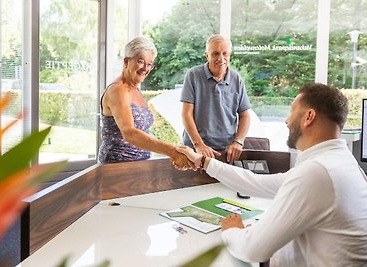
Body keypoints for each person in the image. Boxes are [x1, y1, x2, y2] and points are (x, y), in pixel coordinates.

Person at [176, 83, 367, 266]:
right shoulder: (341, 164)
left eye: (292, 111)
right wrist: (203, 161)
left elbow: (253, 249)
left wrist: (232, 231)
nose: (287, 120)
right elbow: (257, 183)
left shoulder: (317, 172)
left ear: (309, 116)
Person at [98, 36, 194, 169]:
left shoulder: (135, 88)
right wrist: (172, 152)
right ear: (126, 61)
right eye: (141, 61)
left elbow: (143, 130)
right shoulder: (118, 90)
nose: (145, 68)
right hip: (117, 168)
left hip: (140, 166)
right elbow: (130, 133)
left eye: (149, 64)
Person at [180, 34, 251, 164]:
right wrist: (199, 145)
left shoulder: (236, 79)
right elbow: (186, 113)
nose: (221, 58)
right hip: (196, 150)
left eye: (225, 54)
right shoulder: (193, 75)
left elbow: (245, 116)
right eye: (215, 54)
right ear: (206, 55)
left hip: (226, 152)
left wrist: (238, 142)